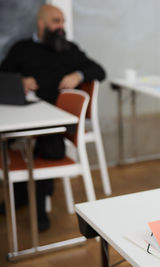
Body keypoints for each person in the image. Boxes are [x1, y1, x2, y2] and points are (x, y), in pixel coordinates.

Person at [0, 4, 106, 231]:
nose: (61, 27)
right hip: (24, 114)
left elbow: (99, 70)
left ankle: (37, 206)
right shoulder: (21, 48)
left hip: (56, 122)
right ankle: (20, 196)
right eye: (56, 22)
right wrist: (20, 81)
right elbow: (3, 75)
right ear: (41, 24)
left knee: (50, 149)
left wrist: (78, 75)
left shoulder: (69, 50)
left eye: (63, 22)